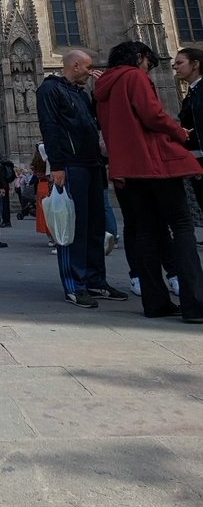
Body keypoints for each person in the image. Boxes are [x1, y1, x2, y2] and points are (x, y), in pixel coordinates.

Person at [94, 40, 203, 322]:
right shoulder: (134, 77)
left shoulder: (103, 86)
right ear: (139, 57)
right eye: (149, 64)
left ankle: (155, 303)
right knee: (181, 227)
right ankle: (195, 304)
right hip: (154, 163)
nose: (149, 70)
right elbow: (152, 115)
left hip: (126, 169)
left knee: (144, 231)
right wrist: (179, 132)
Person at [36, 48, 128, 308]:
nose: (91, 72)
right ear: (75, 65)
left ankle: (96, 281)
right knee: (72, 227)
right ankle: (74, 285)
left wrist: (101, 93)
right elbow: (50, 127)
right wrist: (58, 165)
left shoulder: (81, 93)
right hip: (71, 166)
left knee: (96, 227)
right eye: (88, 68)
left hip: (92, 165)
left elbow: (94, 123)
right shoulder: (49, 90)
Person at [173, 45, 203, 213]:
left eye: (180, 63)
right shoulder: (193, 93)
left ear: (195, 64)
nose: (175, 66)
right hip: (196, 158)